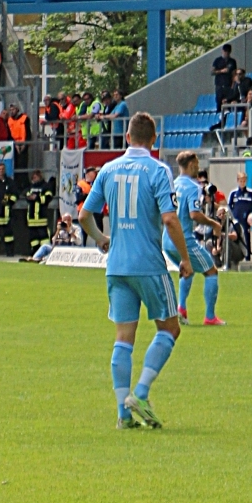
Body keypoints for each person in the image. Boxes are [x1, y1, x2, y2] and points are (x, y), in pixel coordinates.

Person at [79, 110, 192, 430]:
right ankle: (140, 393)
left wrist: (102, 240)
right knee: (170, 328)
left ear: (127, 137)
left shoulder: (108, 169)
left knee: (123, 337)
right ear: (154, 140)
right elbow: (169, 219)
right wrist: (184, 259)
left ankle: (122, 413)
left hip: (117, 266)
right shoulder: (158, 170)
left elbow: (84, 215)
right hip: (148, 264)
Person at [172, 149, 222, 326]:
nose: (198, 168)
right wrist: (214, 224)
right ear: (192, 165)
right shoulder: (193, 187)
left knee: (189, 268)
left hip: (167, 240)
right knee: (211, 271)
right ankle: (210, 317)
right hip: (184, 239)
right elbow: (194, 214)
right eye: (197, 165)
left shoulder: (173, 184)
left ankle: (181, 309)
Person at [227, 168, 252, 263]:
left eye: (244, 181)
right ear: (237, 181)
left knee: (246, 241)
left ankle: (247, 261)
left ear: (246, 181)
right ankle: (232, 261)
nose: (242, 183)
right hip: (235, 223)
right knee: (234, 240)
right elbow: (229, 208)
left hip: (246, 222)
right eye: (240, 181)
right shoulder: (233, 193)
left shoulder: (250, 194)